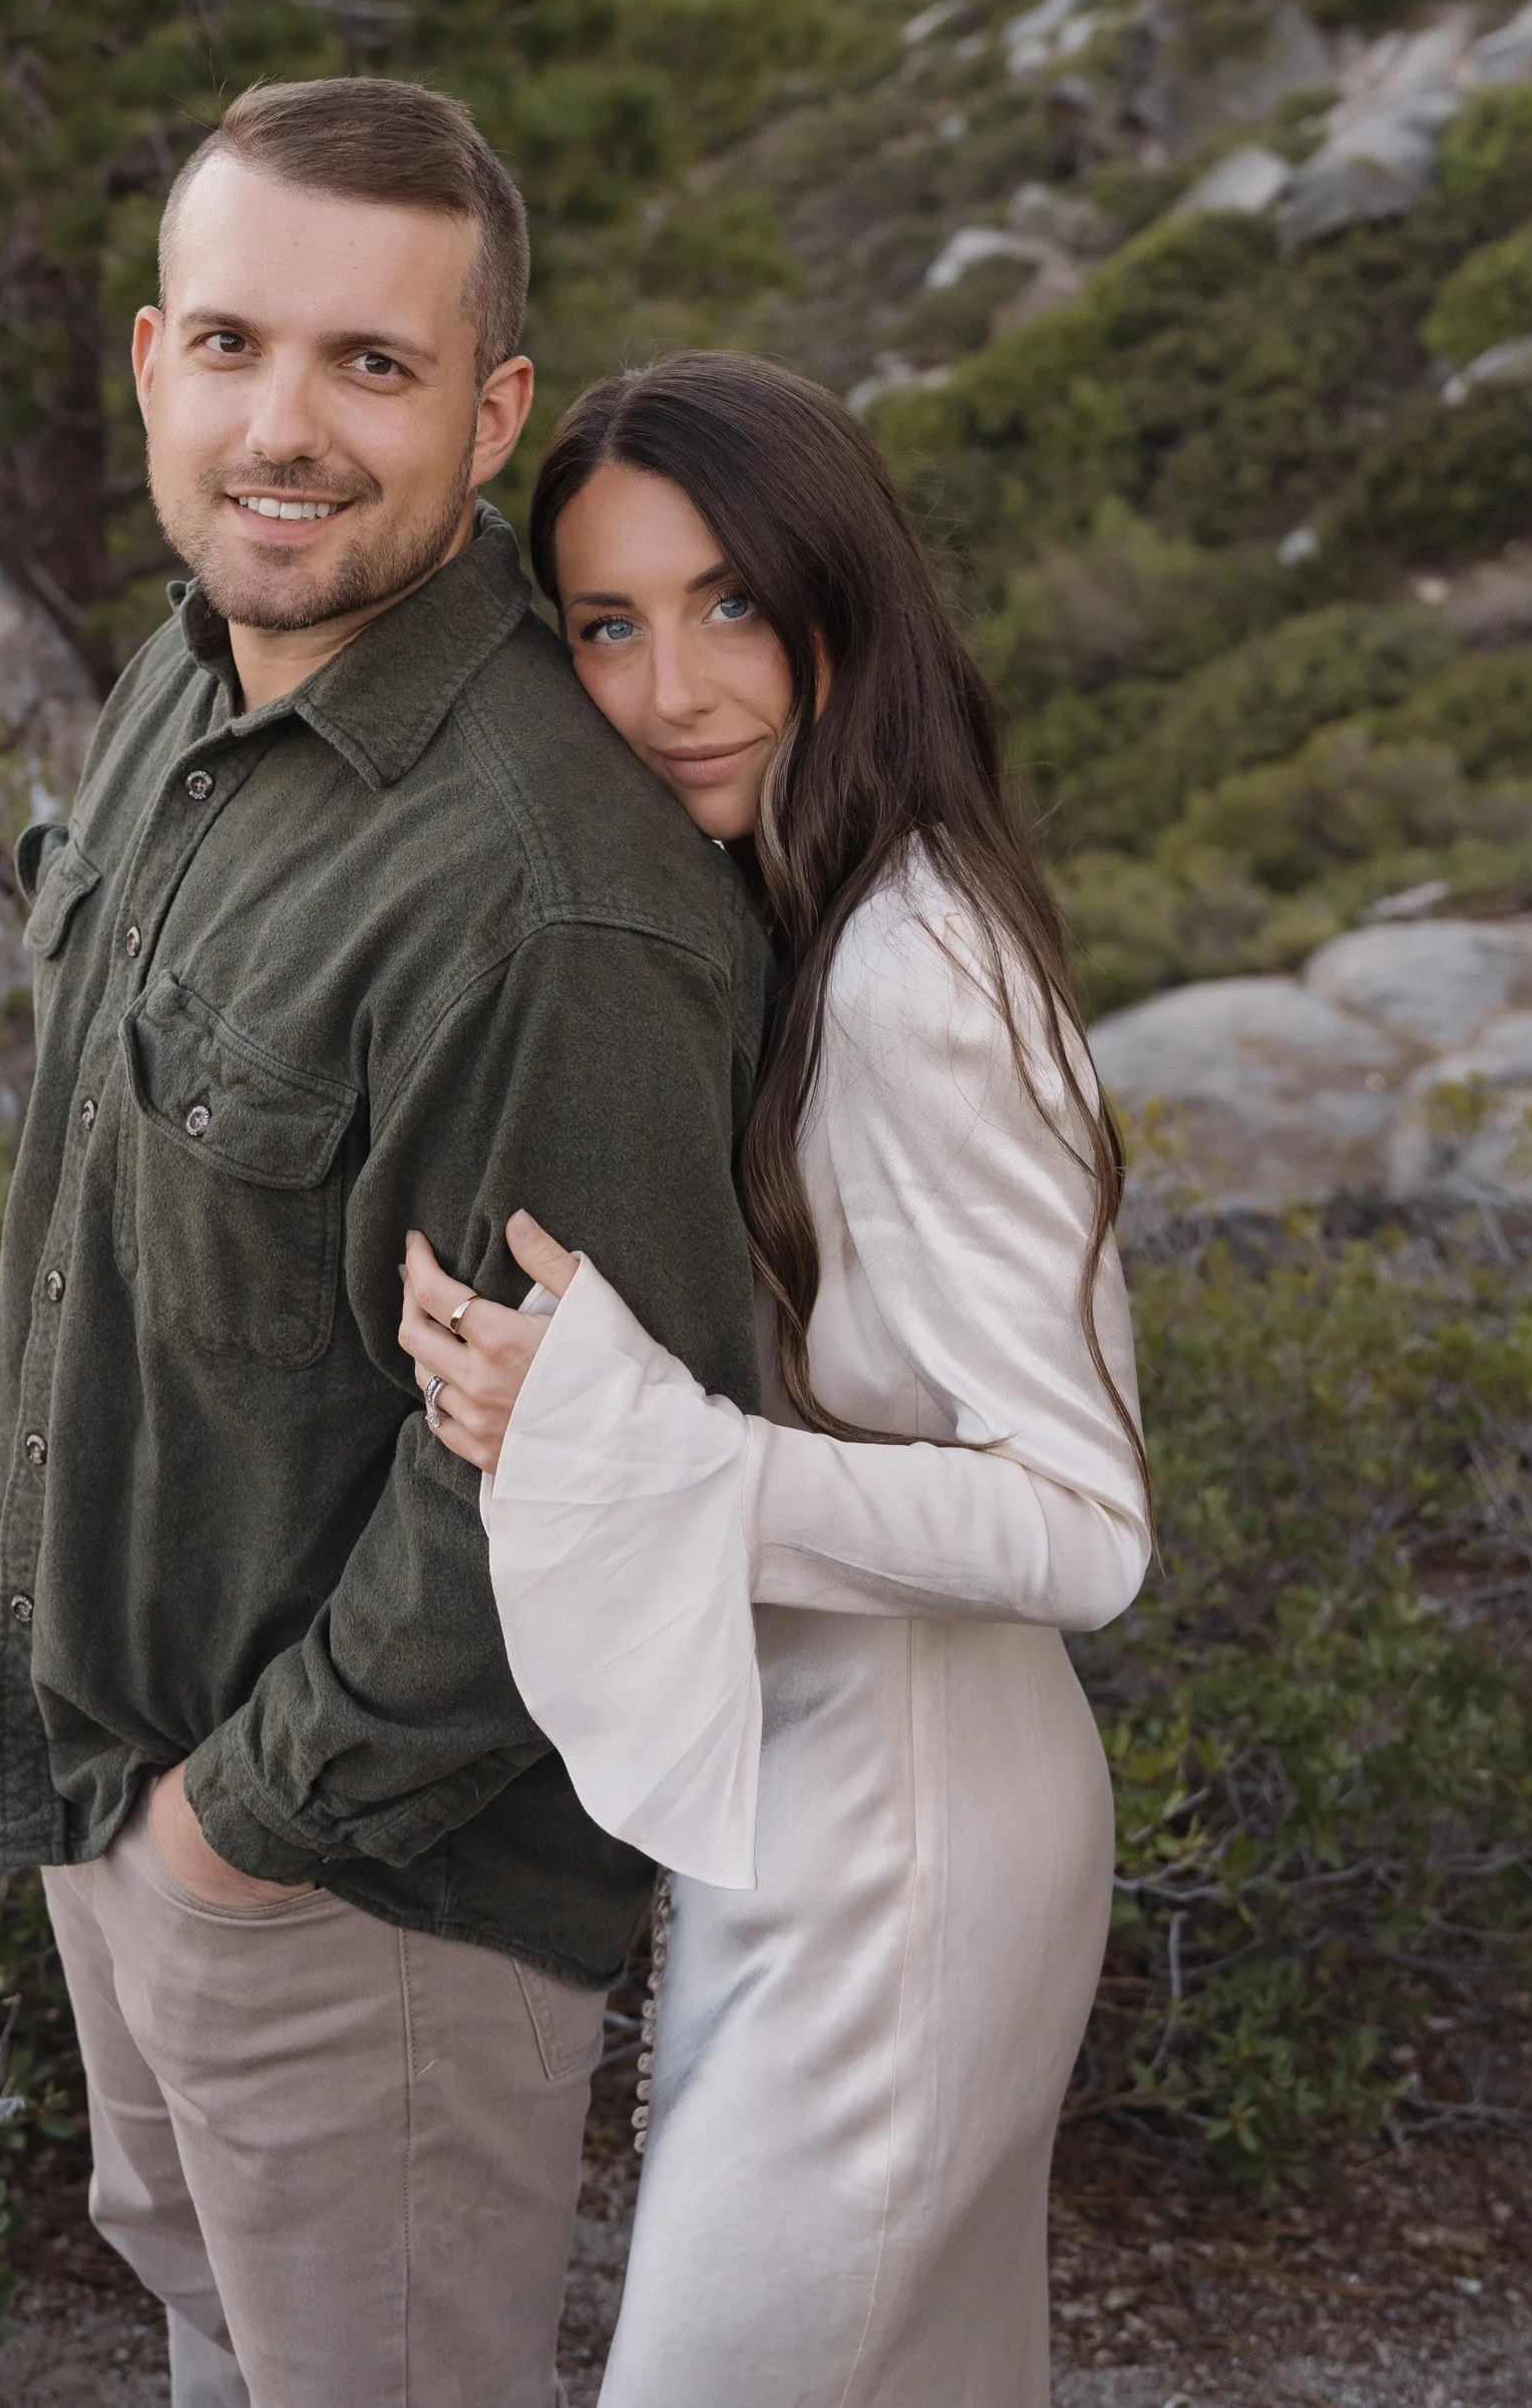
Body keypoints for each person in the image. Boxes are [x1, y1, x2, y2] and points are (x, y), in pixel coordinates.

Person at [0, 87, 768, 2408]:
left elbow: (593, 1477)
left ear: (491, 408)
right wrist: (140, 1823)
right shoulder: (189, 680)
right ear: (147, 360)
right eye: (229, 345)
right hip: (119, 1779)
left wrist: (243, 1839)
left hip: (350, 1888)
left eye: (371, 366)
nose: (279, 427)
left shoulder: (541, 896)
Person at [398, 352, 1154, 2408]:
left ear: (840, 594)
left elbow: (1076, 1527)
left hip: (905, 1861)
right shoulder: (795, 910)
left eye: (730, 601)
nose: (671, 690)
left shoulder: (909, 970)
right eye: (606, 627)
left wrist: (632, 1443)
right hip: (829, 1811)